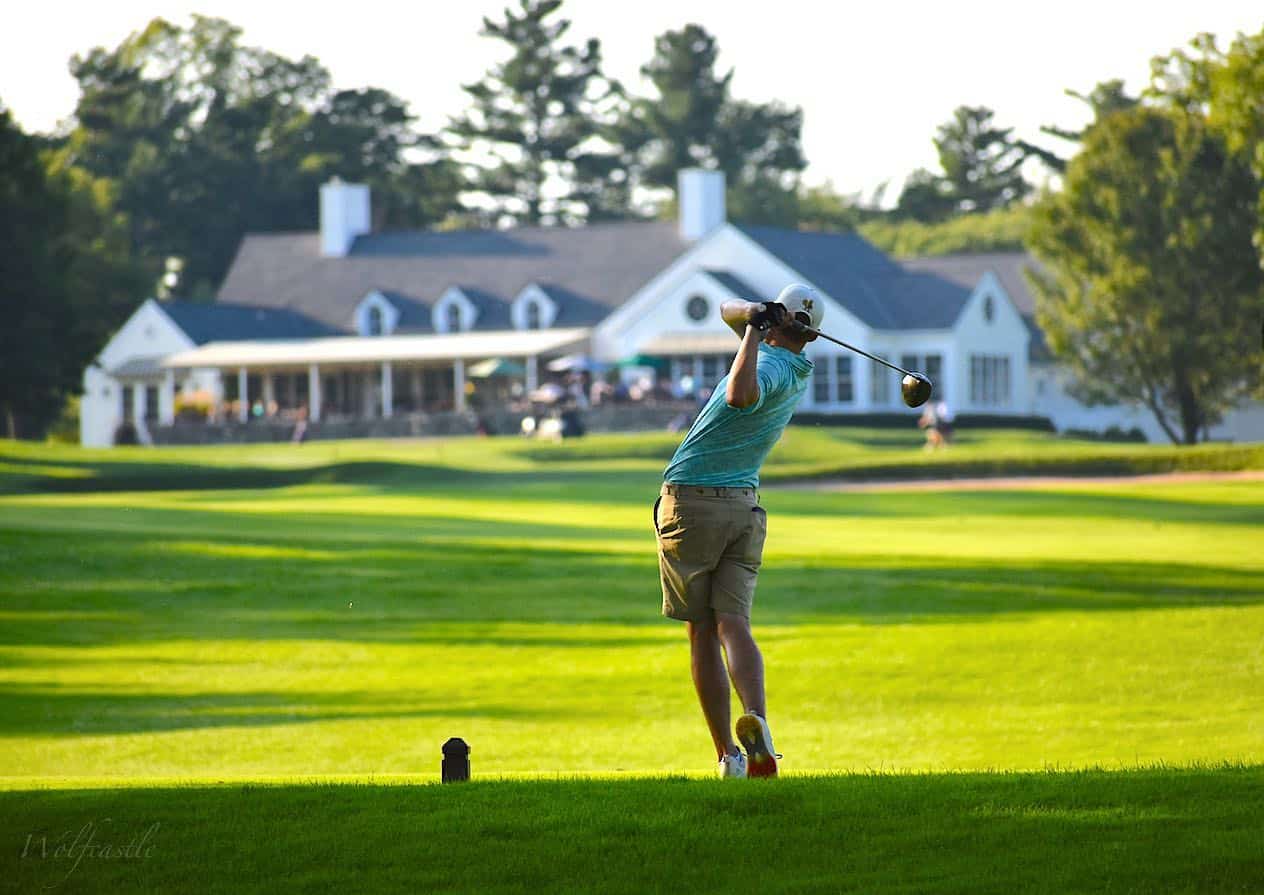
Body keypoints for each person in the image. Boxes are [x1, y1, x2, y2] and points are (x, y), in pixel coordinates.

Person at [653, 283, 822, 779]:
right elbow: (731, 315)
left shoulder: (765, 364)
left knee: (701, 632)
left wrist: (752, 328)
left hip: (693, 503)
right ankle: (760, 725)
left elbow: (739, 394)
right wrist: (751, 315)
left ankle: (728, 754)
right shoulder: (796, 366)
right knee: (735, 624)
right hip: (744, 508)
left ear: (778, 327)